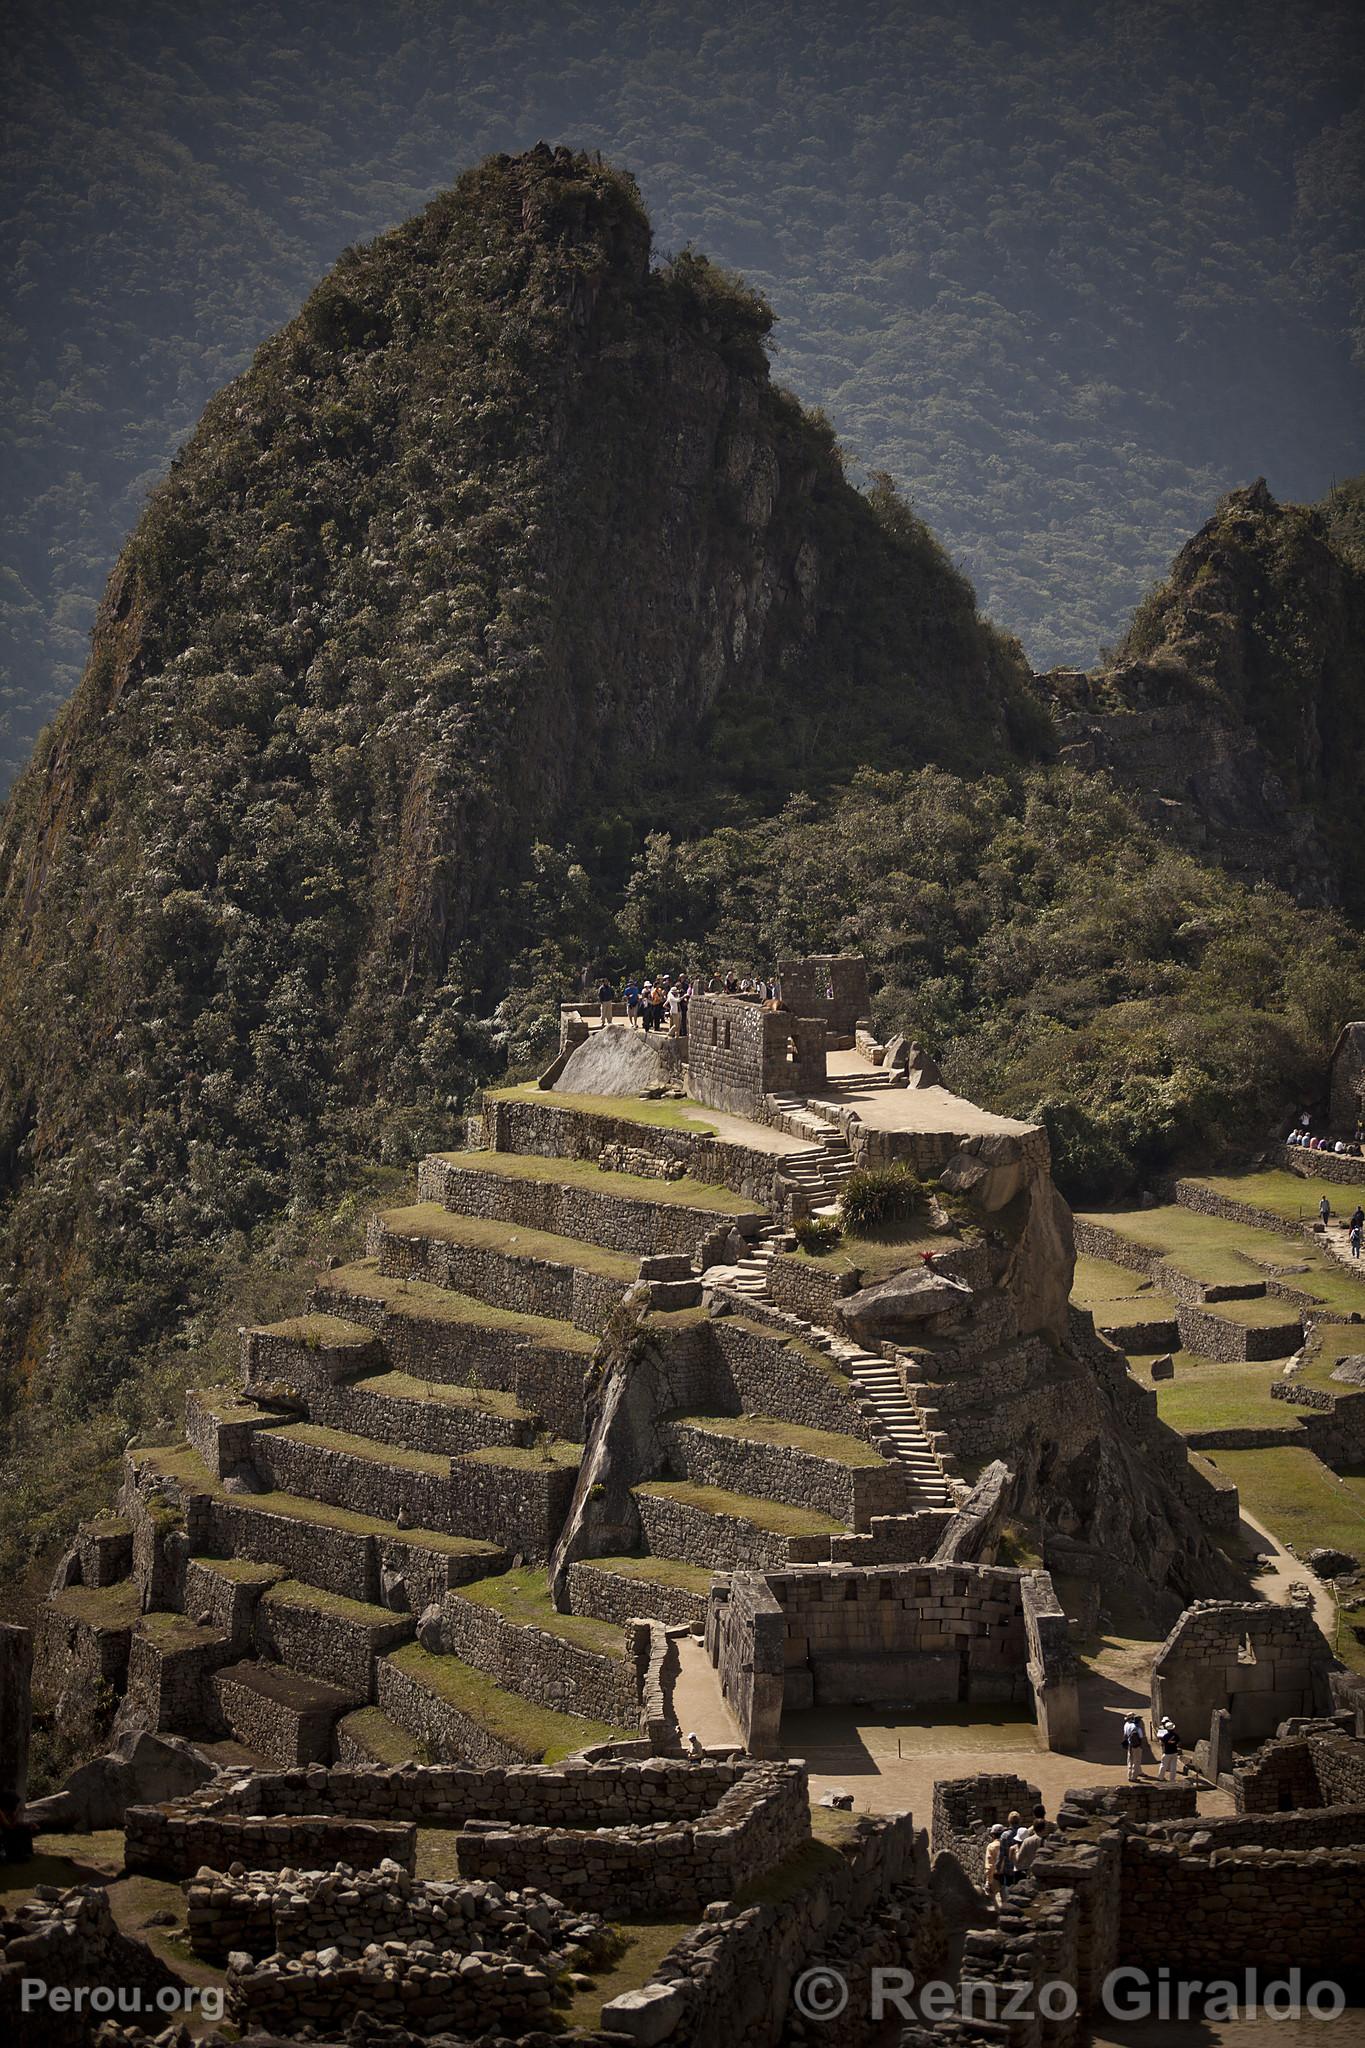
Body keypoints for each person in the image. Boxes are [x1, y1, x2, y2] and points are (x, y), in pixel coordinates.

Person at [983, 1824, 1005, 1905]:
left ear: (992, 1835)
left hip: (995, 1877)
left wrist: (988, 1881)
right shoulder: (1006, 1845)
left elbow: (989, 1865)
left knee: (995, 1901)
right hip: (1006, 1875)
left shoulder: (991, 1846)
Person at [1121, 1711, 1146, 1781]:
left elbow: (1125, 1734)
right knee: (1136, 1761)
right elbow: (1141, 1737)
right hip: (1136, 1745)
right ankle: (1133, 1777)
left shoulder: (1126, 1724)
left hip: (1130, 1744)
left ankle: (1132, 1774)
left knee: (1130, 1760)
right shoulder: (1136, 1727)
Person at [1156, 1717, 1182, 1783]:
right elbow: (1179, 1743)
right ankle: (1172, 1779)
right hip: (1174, 1752)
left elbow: (1162, 1743)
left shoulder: (1165, 1736)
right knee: (1173, 1766)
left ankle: (1160, 1777)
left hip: (1167, 1752)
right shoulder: (1176, 1736)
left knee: (1163, 1765)